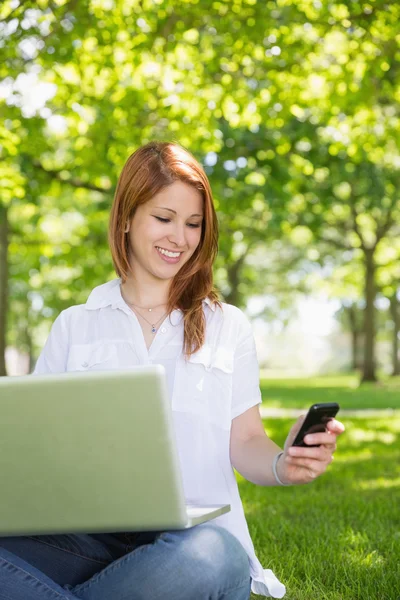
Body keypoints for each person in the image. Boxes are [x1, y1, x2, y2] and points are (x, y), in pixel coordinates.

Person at [0, 141, 345, 600]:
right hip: (90, 542)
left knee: (214, 556)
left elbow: (245, 442)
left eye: (193, 224)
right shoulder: (75, 324)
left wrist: (285, 464)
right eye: (163, 219)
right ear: (126, 218)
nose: (179, 238)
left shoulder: (228, 325)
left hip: (191, 545)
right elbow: (42, 454)